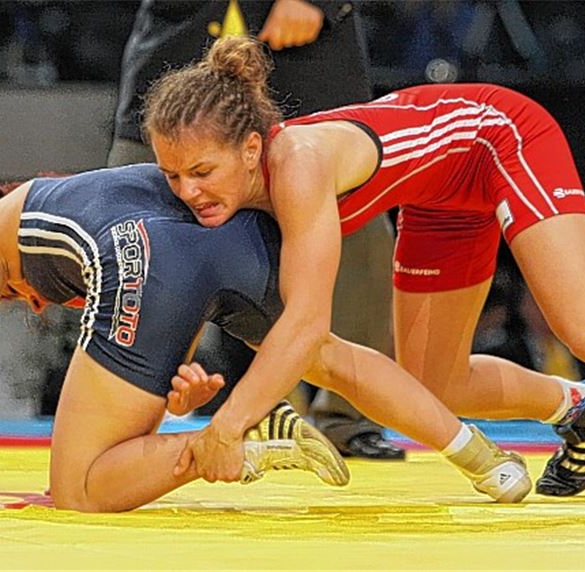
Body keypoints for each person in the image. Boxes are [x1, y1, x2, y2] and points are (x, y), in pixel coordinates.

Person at [142, 35, 585, 517]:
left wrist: (227, 424)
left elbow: (305, 327)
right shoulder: (228, 188)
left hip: (499, 137)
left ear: (252, 146)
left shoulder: (295, 167)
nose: (189, 191)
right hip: (436, 191)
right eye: (173, 175)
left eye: (201, 173)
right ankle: (584, 408)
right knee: (433, 380)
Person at [0, 164, 539, 511]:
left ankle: (218, 448)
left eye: (20, 298)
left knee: (76, 489)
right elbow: (175, 264)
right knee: (331, 356)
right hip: (241, 236)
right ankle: (484, 459)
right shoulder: (77, 192)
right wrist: (183, 374)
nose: (38, 306)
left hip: (154, 259)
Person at [100, 0, 404, 459]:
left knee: (357, 239)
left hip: (306, 60)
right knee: (130, 230)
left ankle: (347, 417)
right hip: (181, 43)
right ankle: (118, 407)